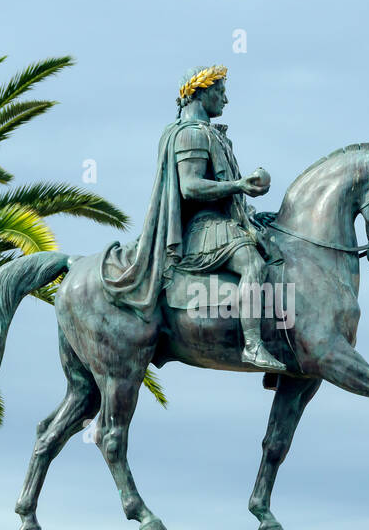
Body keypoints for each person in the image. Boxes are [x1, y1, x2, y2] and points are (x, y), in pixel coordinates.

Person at [99, 65, 285, 370]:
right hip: (203, 228)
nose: (225, 100)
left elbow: (225, 196)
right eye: (220, 92)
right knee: (253, 263)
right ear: (201, 93)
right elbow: (190, 186)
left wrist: (251, 212)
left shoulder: (209, 134)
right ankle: (253, 345)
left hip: (221, 222)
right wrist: (239, 185)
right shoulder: (192, 135)